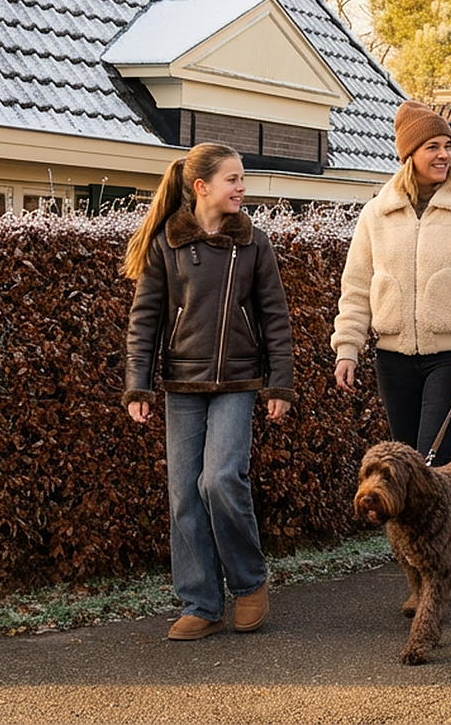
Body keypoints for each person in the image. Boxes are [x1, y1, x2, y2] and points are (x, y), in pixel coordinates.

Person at [121, 142, 296, 641]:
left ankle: (248, 581)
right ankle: (201, 601)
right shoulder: (167, 244)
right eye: (233, 179)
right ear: (202, 187)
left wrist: (279, 382)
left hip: (239, 382)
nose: (242, 188)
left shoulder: (254, 243)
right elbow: (145, 320)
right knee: (184, 496)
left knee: (219, 479)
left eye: (242, 179)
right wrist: (138, 384)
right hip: (182, 384)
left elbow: (275, 318)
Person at [332, 100, 451, 466]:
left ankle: (442, 525)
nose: (445, 155)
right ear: (409, 154)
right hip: (392, 360)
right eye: (433, 147)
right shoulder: (376, 214)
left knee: (433, 461)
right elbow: (357, 290)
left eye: (448, 146)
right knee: (407, 465)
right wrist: (348, 348)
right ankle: (420, 527)